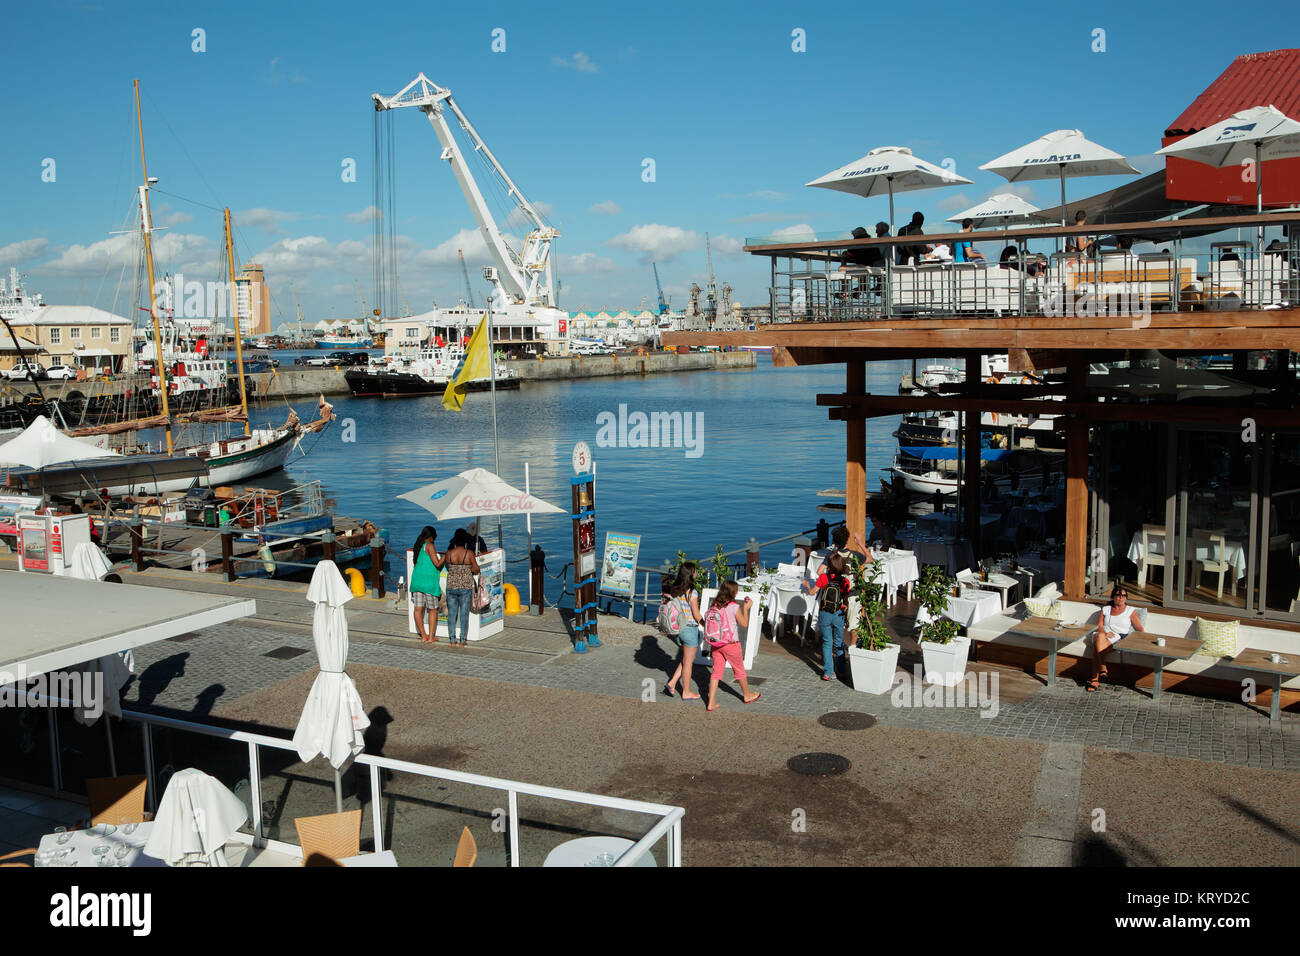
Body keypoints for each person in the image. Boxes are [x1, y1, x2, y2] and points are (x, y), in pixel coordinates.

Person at [703, 580, 760, 711]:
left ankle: (711, 702)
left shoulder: (715, 604)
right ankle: (747, 695)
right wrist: (746, 608)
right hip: (731, 644)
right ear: (733, 592)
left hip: (716, 643)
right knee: (739, 670)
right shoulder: (734, 606)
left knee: (716, 672)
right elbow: (744, 623)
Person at [802, 552, 852, 681]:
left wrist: (807, 586)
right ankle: (841, 671)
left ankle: (828, 672)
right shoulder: (845, 581)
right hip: (838, 613)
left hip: (824, 612)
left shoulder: (823, 578)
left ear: (829, 566)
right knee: (838, 642)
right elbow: (845, 599)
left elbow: (812, 593)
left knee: (827, 642)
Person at [1089, 583, 1144, 691]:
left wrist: (1136, 641)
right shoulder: (1106, 609)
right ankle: (1102, 666)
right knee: (1100, 636)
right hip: (1103, 634)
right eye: (1118, 595)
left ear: (1126, 598)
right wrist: (1104, 633)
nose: (1121, 598)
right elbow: (1099, 626)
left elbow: (1140, 629)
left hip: (1117, 637)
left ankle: (1094, 680)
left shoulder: (1130, 611)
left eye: (1123, 595)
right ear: (1113, 597)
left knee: (1097, 650)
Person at [662, 562, 704, 701]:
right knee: (688, 662)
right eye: (695, 571)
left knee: (687, 659)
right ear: (691, 574)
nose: (696, 573)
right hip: (689, 629)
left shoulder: (674, 589)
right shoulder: (692, 592)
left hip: (676, 629)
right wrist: (706, 624)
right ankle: (686, 691)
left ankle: (672, 683)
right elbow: (696, 614)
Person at [442, 529, 480, 646]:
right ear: (465, 542)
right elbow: (475, 568)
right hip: (465, 587)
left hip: (451, 586)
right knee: (464, 614)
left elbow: (448, 566)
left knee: (452, 614)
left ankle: (452, 640)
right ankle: (463, 640)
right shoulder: (469, 553)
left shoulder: (449, 553)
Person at [409, 526, 443, 644]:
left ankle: (423, 636)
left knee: (418, 609)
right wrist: (446, 556)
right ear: (431, 537)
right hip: (429, 583)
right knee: (432, 610)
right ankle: (430, 637)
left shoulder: (418, 546)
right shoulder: (429, 546)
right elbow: (437, 563)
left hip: (417, 581)